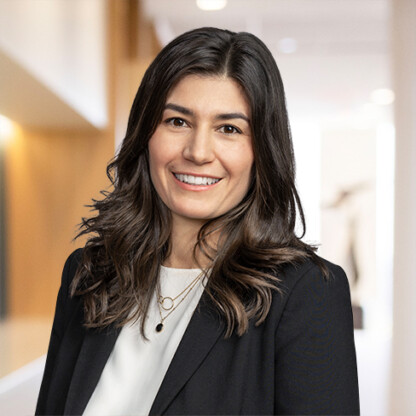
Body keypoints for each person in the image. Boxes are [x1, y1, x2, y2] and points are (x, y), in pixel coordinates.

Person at [35, 27, 359, 415]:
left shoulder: (306, 295)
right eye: (177, 121)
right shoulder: (90, 274)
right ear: (145, 134)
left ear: (263, 151)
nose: (198, 151)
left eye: (229, 129)